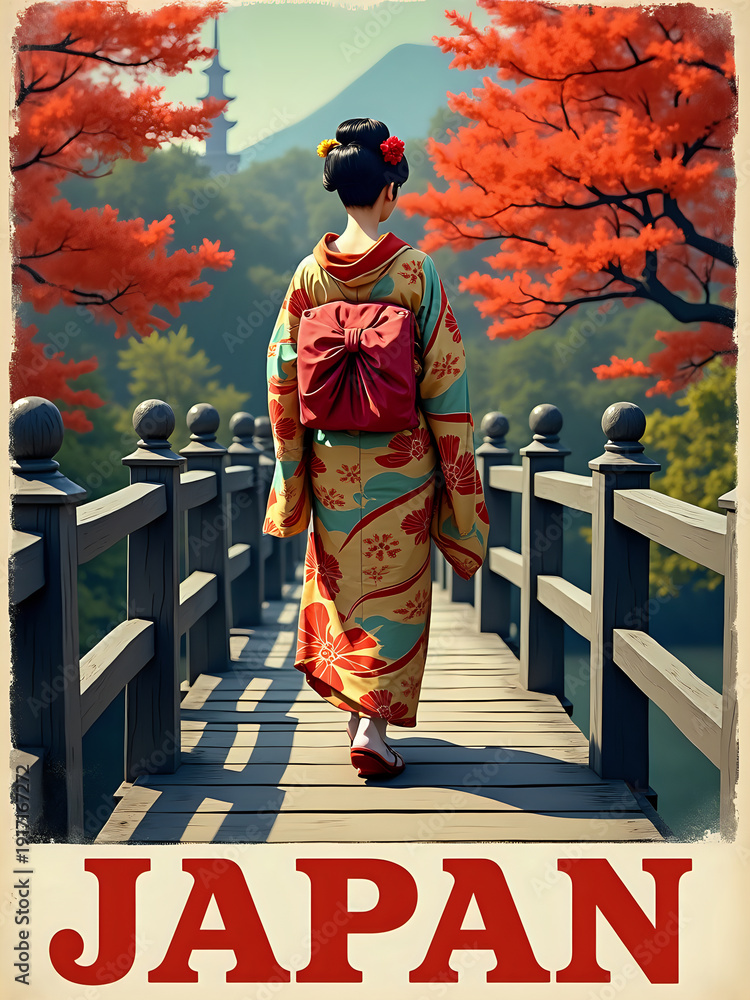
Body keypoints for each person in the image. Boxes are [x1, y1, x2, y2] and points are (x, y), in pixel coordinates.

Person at [264, 118, 488, 779]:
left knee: (343, 587)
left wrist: (291, 473)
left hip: (333, 464)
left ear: (344, 193)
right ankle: (374, 727)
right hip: (403, 463)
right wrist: (458, 484)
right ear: (389, 192)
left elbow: (281, 373)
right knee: (396, 592)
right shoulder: (416, 270)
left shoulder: (309, 276)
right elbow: (446, 382)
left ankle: (358, 716)